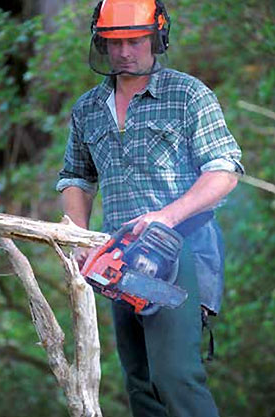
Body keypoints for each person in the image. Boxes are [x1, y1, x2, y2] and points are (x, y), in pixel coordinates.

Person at [56, 0, 244, 416]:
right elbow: (76, 178)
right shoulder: (88, 108)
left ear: (157, 35)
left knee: (175, 377)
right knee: (141, 385)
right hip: (119, 259)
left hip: (181, 250)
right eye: (115, 41)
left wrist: (168, 215)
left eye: (135, 40)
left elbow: (224, 170)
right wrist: (78, 237)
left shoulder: (188, 94)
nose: (125, 51)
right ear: (101, 42)